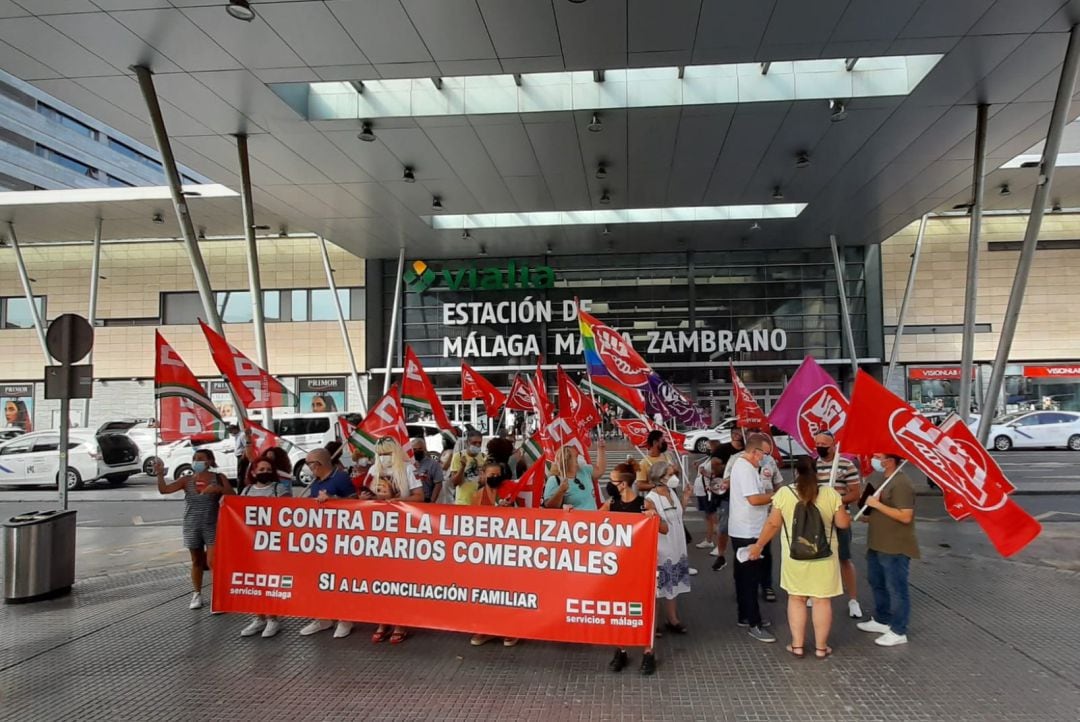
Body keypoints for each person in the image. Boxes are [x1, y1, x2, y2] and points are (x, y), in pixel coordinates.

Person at [746, 457, 850, 659]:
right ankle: (821, 648)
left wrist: (759, 546)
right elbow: (843, 524)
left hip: (795, 558)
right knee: (821, 602)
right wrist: (843, 512)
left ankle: (797, 646)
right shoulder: (830, 493)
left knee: (797, 599)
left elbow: (773, 524)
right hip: (825, 557)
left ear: (796, 473)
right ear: (817, 472)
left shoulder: (785, 493)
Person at [602, 461, 665, 675]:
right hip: (619, 566)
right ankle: (621, 649)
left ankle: (648, 652)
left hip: (643, 565)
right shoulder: (611, 503)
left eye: (612, 481)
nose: (609, 485)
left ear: (624, 484)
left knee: (646, 607)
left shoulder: (643, 504)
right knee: (619, 607)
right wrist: (569, 512)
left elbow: (664, 528)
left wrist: (653, 517)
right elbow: (590, 521)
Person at [154, 449, 233, 610]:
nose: (197, 461)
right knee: (197, 561)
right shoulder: (186, 480)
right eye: (195, 458)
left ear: (210, 461)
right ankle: (197, 593)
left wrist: (219, 489)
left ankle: (218, 596)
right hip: (191, 525)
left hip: (212, 525)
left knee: (212, 562)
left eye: (201, 459)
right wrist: (160, 474)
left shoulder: (218, 478)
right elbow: (165, 490)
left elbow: (234, 495)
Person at [857, 453, 919, 647]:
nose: (874, 459)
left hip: (895, 545)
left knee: (897, 588)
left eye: (878, 456)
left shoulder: (902, 483)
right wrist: (867, 512)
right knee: (877, 581)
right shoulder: (880, 478)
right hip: (876, 542)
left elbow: (905, 516)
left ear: (890, 460)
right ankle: (882, 619)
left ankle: (899, 630)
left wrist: (877, 505)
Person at [368, 438, 423, 645]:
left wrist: (399, 501)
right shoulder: (374, 470)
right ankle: (382, 621)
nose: (384, 457)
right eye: (380, 453)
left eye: (387, 453)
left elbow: (419, 496)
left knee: (400, 579)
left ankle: (400, 623)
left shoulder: (408, 470)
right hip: (379, 529)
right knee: (380, 578)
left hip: (402, 529)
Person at [298, 448, 357, 639]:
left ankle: (345, 618)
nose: (308, 468)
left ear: (319, 464)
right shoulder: (316, 482)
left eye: (309, 464)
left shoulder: (340, 478)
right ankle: (323, 618)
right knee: (320, 580)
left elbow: (355, 503)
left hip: (340, 538)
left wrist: (334, 501)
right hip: (320, 539)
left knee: (339, 580)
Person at [728, 433, 776, 643]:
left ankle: (744, 615)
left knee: (743, 576)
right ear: (754, 452)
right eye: (764, 454)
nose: (765, 458)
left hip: (745, 527)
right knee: (750, 578)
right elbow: (754, 499)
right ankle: (754, 622)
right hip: (748, 530)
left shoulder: (744, 466)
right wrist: (776, 496)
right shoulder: (746, 469)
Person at [468, 462, 521, 648]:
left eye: (498, 474)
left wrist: (510, 507)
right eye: (491, 474)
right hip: (485, 551)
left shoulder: (510, 491)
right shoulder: (477, 496)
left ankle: (510, 629)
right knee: (485, 591)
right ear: (484, 474)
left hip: (507, 550)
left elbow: (524, 516)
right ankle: (486, 628)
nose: (495, 477)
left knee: (507, 591)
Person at [238, 458, 291, 639]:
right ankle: (259, 617)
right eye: (261, 469)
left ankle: (272, 618)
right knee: (255, 582)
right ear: (253, 472)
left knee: (270, 581)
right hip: (251, 544)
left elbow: (287, 511)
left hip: (272, 544)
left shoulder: (279, 489)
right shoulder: (246, 491)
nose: (264, 471)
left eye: (268, 469)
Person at [814, 431, 864, 619]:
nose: (819, 446)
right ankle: (816, 593)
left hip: (840, 519)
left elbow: (855, 493)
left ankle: (853, 600)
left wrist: (835, 501)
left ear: (833, 445)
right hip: (818, 521)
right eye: (817, 443)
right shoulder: (814, 465)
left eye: (823, 443)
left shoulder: (846, 465)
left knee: (844, 558)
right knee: (817, 558)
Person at [644, 460, 690, 648]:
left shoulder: (671, 492)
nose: (674, 477)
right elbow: (653, 526)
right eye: (670, 474)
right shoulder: (651, 499)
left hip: (677, 543)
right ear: (660, 477)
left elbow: (679, 514)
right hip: (663, 547)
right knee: (658, 586)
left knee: (673, 585)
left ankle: (672, 619)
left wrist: (686, 497)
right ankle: (652, 624)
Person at [543, 440, 606, 510]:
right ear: (567, 461)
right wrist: (561, 491)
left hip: (592, 519)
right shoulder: (554, 480)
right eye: (575, 456)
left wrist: (601, 449)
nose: (578, 457)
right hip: (575, 520)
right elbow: (549, 505)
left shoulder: (584, 471)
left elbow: (600, 470)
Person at [449, 431, 486, 505]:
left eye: (480, 443)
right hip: (463, 502)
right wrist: (462, 467)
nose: (477, 445)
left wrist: (483, 478)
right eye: (474, 443)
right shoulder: (458, 456)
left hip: (479, 502)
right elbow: (454, 483)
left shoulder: (483, 457)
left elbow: (484, 483)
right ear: (467, 443)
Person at [412, 437, 445, 502]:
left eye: (420, 448)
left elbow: (438, 484)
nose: (417, 451)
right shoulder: (408, 464)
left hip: (426, 499)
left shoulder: (433, 464)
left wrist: (432, 501)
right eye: (414, 449)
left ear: (424, 449)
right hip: (412, 499)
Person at [230, 424, 248, 489]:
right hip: (239, 455)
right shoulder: (237, 436)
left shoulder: (242, 435)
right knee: (240, 473)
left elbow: (246, 446)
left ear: (235, 429)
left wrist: (243, 455)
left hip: (242, 456)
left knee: (241, 473)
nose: (231, 433)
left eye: (231, 431)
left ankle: (241, 488)